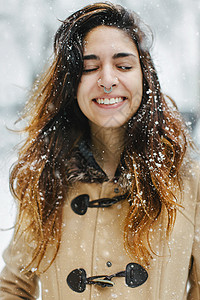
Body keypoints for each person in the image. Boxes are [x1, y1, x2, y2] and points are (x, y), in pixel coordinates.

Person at [0, 2, 199, 299]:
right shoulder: (47, 177)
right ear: (71, 83)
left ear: (145, 78)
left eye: (123, 65)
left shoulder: (188, 182)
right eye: (90, 67)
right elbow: (13, 287)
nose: (107, 80)